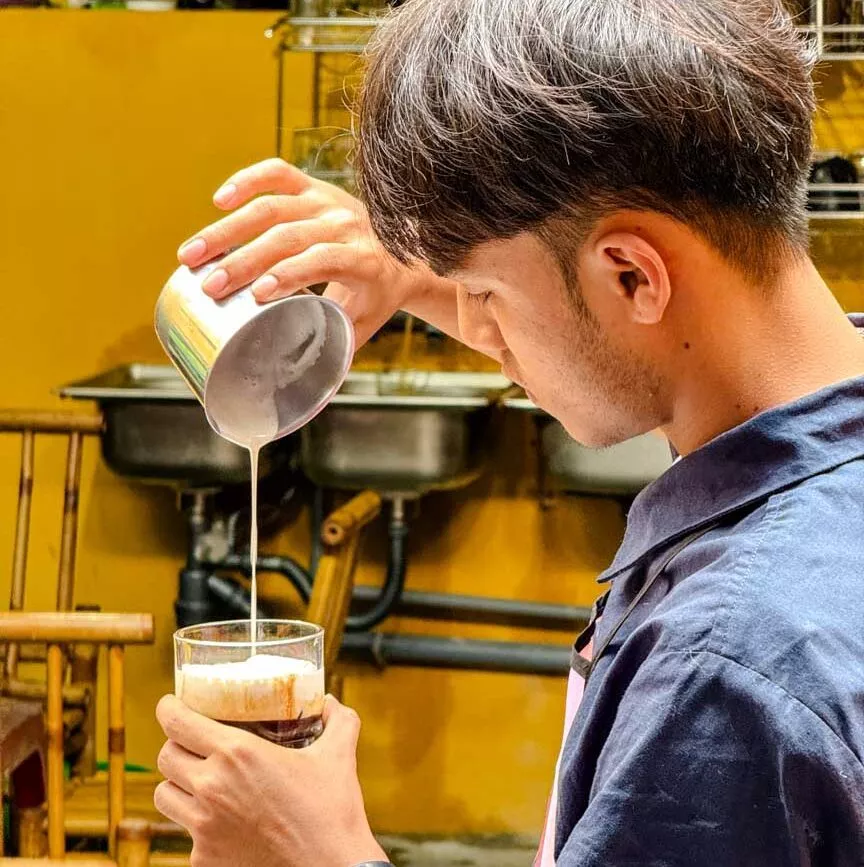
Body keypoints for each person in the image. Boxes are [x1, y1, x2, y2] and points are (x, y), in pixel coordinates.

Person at [154, 0, 864, 864]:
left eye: (487, 300)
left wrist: (321, 848)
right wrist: (435, 277)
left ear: (635, 274)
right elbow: (622, 342)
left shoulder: (725, 674)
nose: (482, 338)